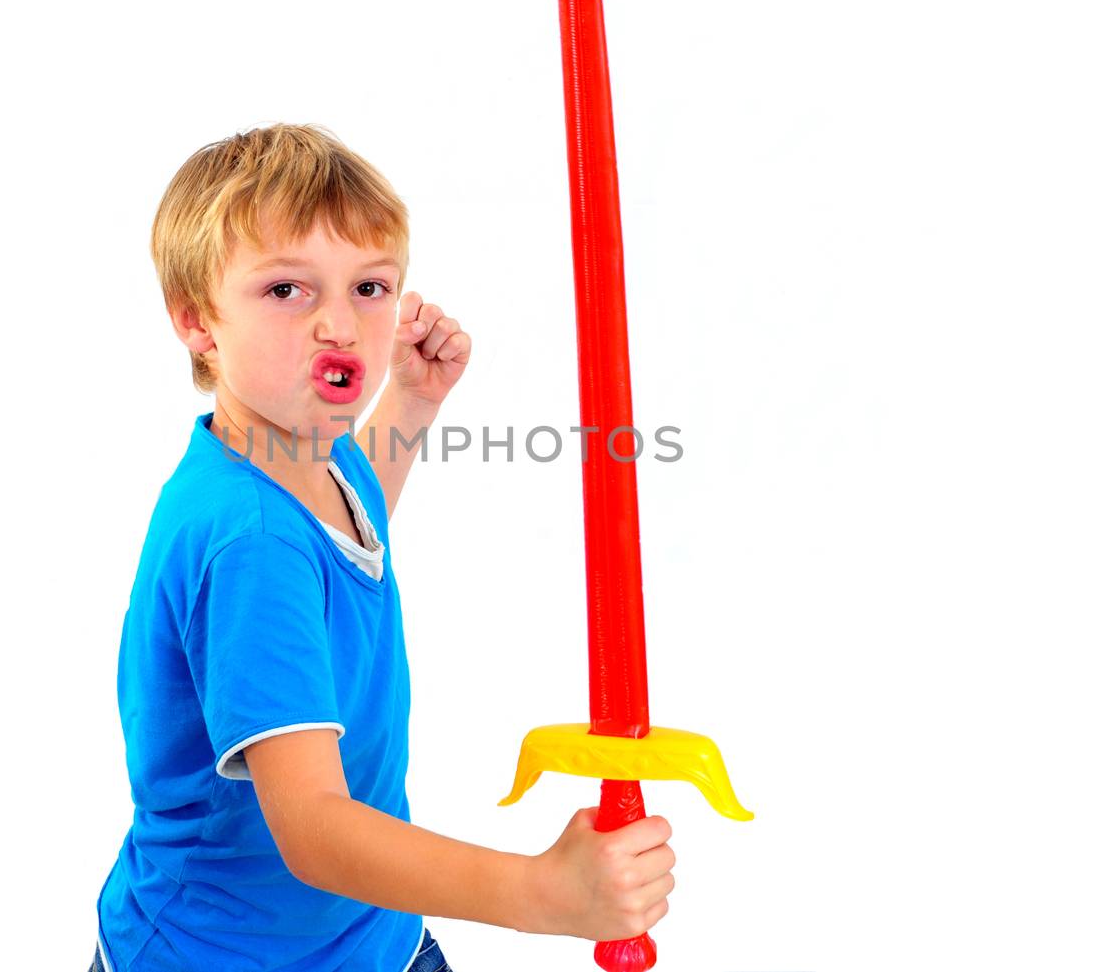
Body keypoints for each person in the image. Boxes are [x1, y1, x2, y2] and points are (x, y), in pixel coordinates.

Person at [92, 124, 676, 971]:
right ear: (196, 321)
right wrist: (542, 892)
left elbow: (351, 532)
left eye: (370, 286)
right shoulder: (249, 543)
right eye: (288, 289)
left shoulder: (307, 454)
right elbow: (318, 830)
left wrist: (409, 400)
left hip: (369, 937)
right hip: (230, 955)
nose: (340, 323)